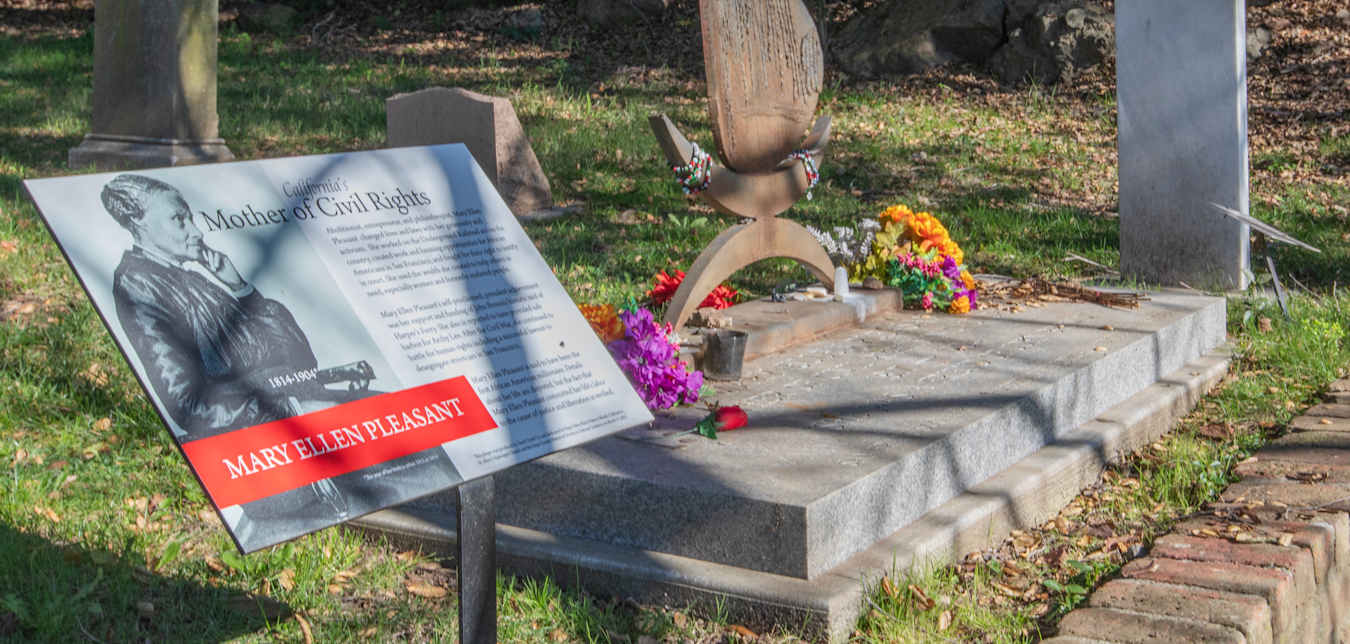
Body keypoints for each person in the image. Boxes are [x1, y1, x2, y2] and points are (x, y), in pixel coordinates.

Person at [102, 173, 336, 441]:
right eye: (179, 220)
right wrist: (284, 408)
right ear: (139, 221)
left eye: (190, 218)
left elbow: (299, 356)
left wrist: (240, 288)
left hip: (294, 399)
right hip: (256, 429)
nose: (197, 232)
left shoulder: (195, 277)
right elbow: (186, 402)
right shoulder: (138, 284)